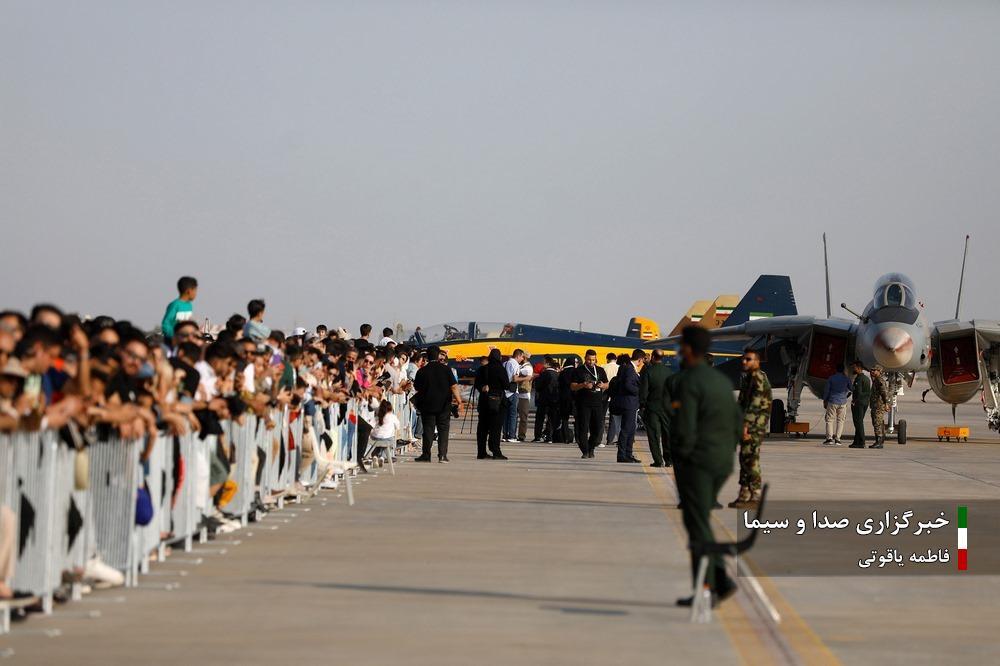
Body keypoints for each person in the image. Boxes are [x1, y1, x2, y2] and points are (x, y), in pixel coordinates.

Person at [672, 326, 741, 608]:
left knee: (696, 524)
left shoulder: (689, 381)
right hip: (722, 461)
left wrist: (682, 459)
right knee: (700, 521)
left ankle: (712, 587)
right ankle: (717, 581)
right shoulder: (721, 381)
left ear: (688, 349)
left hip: (698, 463)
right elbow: (737, 424)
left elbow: (685, 430)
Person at [729, 348, 771, 510]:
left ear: (757, 362)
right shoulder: (748, 379)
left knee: (751, 460)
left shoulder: (758, 379)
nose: (744, 362)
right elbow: (742, 405)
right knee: (744, 458)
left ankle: (756, 494)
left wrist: (745, 427)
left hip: (754, 427)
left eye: (748, 359)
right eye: (744, 359)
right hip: (746, 425)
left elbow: (754, 406)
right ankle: (744, 494)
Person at [413, 345, 464, 463]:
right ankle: (442, 455)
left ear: (427, 356)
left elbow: (417, 388)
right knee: (443, 430)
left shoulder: (422, 370)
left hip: (427, 404)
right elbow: (454, 386)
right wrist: (459, 401)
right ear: (438, 355)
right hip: (444, 405)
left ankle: (426, 455)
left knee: (428, 430)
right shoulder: (446, 369)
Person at [570, 350, 609, 459]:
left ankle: (591, 447)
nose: (591, 362)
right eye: (589, 359)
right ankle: (585, 451)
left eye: (593, 360)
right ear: (585, 358)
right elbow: (572, 386)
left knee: (597, 428)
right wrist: (583, 385)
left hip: (597, 403)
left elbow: (607, 384)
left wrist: (602, 385)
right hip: (583, 403)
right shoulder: (579, 370)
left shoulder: (600, 370)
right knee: (583, 428)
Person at [639, 348, 672, 467]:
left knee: (654, 435)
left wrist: (642, 405)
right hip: (667, 408)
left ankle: (658, 460)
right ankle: (669, 460)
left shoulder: (648, 371)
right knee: (667, 434)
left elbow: (643, 392)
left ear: (652, 357)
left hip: (652, 408)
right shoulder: (669, 372)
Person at [474, 349, 508, 459]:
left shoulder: (482, 369)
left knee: (482, 427)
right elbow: (506, 385)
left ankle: (481, 452)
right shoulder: (501, 369)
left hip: (484, 400)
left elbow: (477, 384)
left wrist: (483, 387)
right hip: (497, 401)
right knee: (496, 428)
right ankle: (496, 451)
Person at [613, 349, 644, 463]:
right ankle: (622, 455)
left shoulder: (628, 368)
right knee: (627, 430)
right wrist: (639, 391)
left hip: (630, 403)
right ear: (640, 360)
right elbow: (628, 385)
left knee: (630, 429)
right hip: (628, 403)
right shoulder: (630, 369)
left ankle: (628, 454)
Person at [161, 276, 197, 344]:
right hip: (172, 342)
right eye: (195, 290)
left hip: (185, 342)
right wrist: (175, 336)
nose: (196, 293)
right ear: (189, 291)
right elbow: (165, 324)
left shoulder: (189, 306)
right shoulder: (175, 305)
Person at [532, 356, 560, 442]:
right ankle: (549, 437)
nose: (542, 363)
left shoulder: (544, 374)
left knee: (540, 418)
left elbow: (538, 386)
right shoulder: (557, 374)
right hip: (554, 399)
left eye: (543, 362)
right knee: (551, 419)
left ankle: (538, 436)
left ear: (548, 364)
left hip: (544, 399)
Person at [822, 363, 851, 446]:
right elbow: (851, 388)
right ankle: (838, 439)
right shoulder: (846, 378)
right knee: (840, 421)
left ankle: (829, 438)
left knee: (829, 420)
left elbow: (827, 390)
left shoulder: (831, 378)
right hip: (843, 402)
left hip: (832, 401)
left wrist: (825, 400)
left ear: (836, 370)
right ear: (843, 370)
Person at [502, 349, 525, 441]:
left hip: (505, 392)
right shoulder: (515, 364)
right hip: (512, 392)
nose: (522, 359)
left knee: (505, 415)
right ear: (518, 356)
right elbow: (514, 378)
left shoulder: (505, 363)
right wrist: (526, 378)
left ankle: (505, 435)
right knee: (513, 415)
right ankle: (512, 436)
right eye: (522, 357)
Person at [849, 361, 871, 449]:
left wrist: (855, 401)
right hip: (865, 402)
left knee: (858, 422)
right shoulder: (866, 378)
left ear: (859, 368)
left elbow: (859, 392)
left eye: (854, 367)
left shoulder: (859, 379)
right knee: (859, 422)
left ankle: (861, 441)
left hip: (859, 403)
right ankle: (856, 441)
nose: (853, 369)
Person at [869, 365, 890, 449]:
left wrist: (886, 404)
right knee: (877, 423)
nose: (872, 372)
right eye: (872, 370)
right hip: (875, 405)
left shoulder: (880, 381)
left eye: (875, 370)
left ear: (879, 371)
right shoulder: (876, 380)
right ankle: (879, 441)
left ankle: (879, 442)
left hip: (878, 405)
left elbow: (884, 393)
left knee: (877, 423)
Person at [514, 353, 534, 441]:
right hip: (519, 393)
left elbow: (521, 373)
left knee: (523, 417)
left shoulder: (527, 367)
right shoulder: (521, 366)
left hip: (524, 394)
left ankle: (521, 435)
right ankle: (513, 434)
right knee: (514, 416)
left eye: (522, 357)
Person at [556, 358, 576, 443]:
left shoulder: (562, 372)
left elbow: (559, 385)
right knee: (578, 418)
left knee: (564, 418)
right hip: (574, 398)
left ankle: (566, 437)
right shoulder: (576, 371)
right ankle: (578, 438)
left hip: (564, 398)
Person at [603, 352, 620, 448]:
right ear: (616, 359)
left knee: (601, 417)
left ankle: (599, 438)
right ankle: (610, 439)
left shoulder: (604, 367)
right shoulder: (619, 367)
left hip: (604, 394)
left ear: (607, 359)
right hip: (615, 395)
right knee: (613, 419)